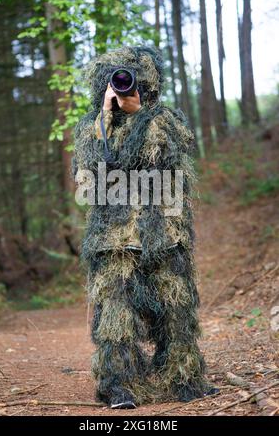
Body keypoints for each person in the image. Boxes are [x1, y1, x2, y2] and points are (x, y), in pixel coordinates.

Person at [72, 45, 217, 409]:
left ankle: (184, 378)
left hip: (165, 235)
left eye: (129, 81)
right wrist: (107, 115)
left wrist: (140, 115)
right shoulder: (94, 127)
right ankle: (117, 385)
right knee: (116, 315)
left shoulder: (166, 119)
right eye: (116, 82)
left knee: (176, 308)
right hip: (115, 239)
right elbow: (90, 171)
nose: (124, 87)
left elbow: (164, 155)